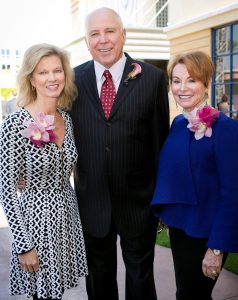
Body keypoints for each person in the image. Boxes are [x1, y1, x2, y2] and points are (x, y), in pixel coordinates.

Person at [70, 7, 170, 300]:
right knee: (98, 282)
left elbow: (159, 143)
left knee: (141, 281)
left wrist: (159, 200)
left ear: (123, 35)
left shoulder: (151, 79)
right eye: (94, 34)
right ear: (86, 41)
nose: (103, 40)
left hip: (138, 203)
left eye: (110, 31)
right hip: (92, 202)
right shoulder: (73, 80)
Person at [0, 43, 88, 300]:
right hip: (35, 225)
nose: (52, 78)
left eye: (57, 71)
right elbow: (6, 190)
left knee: (55, 294)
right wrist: (24, 245)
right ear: (31, 78)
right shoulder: (15, 124)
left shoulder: (67, 119)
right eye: (43, 72)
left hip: (66, 220)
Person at [151, 51, 238, 300]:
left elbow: (233, 194)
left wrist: (217, 248)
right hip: (180, 230)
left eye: (191, 80)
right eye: (176, 81)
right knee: (185, 294)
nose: (182, 88)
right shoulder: (178, 123)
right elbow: (173, 171)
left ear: (206, 83)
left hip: (208, 235)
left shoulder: (227, 130)